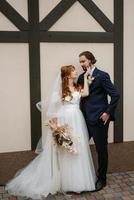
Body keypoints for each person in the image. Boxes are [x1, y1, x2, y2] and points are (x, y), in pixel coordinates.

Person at [5, 65, 96, 200]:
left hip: (77, 119)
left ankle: (78, 183)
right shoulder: (60, 90)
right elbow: (53, 109)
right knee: (64, 150)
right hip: (64, 120)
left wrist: (88, 78)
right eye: (73, 71)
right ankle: (65, 182)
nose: (76, 72)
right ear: (67, 74)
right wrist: (55, 126)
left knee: (77, 147)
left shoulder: (78, 87)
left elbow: (86, 94)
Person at [77, 51, 120, 192]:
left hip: (99, 119)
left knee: (101, 149)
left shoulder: (102, 75)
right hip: (84, 118)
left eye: (83, 61)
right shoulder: (81, 77)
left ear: (90, 60)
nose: (81, 64)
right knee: (79, 148)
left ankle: (102, 178)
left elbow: (115, 95)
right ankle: (80, 177)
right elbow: (80, 97)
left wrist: (107, 112)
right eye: (80, 62)